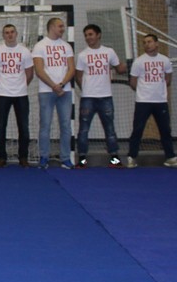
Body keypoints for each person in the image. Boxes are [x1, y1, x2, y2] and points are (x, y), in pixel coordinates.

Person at [74, 24, 126, 168]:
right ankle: (82, 159)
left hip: (106, 97)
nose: (88, 37)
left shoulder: (109, 52)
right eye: (86, 35)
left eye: (90, 34)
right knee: (83, 129)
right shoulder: (82, 55)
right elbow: (78, 76)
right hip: (88, 98)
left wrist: (124, 64)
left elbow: (120, 68)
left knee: (110, 129)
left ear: (99, 35)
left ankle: (114, 159)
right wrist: (86, 89)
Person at [126, 34, 176, 168]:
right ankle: (131, 157)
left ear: (157, 43)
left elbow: (168, 79)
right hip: (143, 102)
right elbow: (133, 82)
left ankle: (170, 157)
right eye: (144, 42)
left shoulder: (165, 60)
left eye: (149, 41)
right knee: (138, 129)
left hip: (160, 101)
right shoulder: (139, 61)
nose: (147, 44)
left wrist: (158, 89)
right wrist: (144, 91)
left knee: (165, 130)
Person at [0, 24, 34, 168]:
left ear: (16, 33)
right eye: (7, 32)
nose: (10, 35)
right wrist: (2, 86)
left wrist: (20, 86)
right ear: (3, 35)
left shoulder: (25, 51)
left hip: (21, 94)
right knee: (0, 126)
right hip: (2, 94)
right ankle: (1, 158)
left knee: (24, 127)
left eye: (12, 32)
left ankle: (23, 157)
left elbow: (29, 74)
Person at [32, 17, 75, 169]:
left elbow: (71, 69)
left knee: (66, 125)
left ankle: (65, 158)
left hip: (65, 91)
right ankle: (44, 157)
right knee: (45, 125)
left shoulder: (66, 46)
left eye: (63, 26)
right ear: (51, 27)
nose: (62, 29)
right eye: (60, 26)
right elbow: (39, 70)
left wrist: (62, 84)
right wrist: (53, 86)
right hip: (46, 91)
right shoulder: (40, 46)